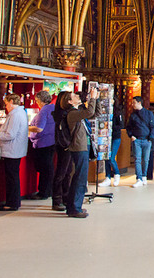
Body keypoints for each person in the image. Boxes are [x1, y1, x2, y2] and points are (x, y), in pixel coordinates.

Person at [62, 87, 100, 218]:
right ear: (70, 102)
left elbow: (95, 113)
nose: (78, 96)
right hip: (78, 148)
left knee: (80, 177)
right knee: (80, 178)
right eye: (74, 96)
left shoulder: (78, 111)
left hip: (84, 146)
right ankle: (74, 208)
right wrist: (93, 98)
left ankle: (73, 206)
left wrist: (97, 99)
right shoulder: (72, 114)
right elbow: (89, 112)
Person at [0, 93, 28, 211]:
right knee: (13, 177)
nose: (6, 106)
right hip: (15, 150)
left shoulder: (15, 115)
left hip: (12, 150)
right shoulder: (20, 113)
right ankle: (13, 202)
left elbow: (10, 134)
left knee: (12, 178)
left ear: (11, 102)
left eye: (6, 104)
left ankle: (12, 203)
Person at [27, 90, 55, 199]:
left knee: (44, 169)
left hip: (43, 143)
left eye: (37, 100)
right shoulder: (52, 109)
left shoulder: (43, 111)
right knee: (48, 168)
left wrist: (25, 127)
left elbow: (39, 128)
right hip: (51, 142)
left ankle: (43, 192)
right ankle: (48, 191)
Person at [51, 91, 74, 211]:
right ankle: (57, 199)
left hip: (65, 145)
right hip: (64, 145)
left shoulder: (64, 113)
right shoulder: (62, 114)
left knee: (67, 172)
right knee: (61, 172)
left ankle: (64, 197)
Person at [126, 96, 154, 187]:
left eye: (134, 102)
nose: (132, 104)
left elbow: (153, 126)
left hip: (147, 140)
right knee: (137, 160)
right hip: (137, 140)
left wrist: (151, 138)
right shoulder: (133, 115)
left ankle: (144, 176)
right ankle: (138, 178)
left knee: (146, 160)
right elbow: (129, 127)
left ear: (139, 103)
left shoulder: (149, 114)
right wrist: (131, 136)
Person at [100, 99, 124, 187]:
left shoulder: (118, 112)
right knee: (106, 157)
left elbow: (121, 125)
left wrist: (111, 127)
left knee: (112, 157)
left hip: (115, 137)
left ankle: (117, 174)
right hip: (106, 137)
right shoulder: (104, 111)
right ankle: (107, 177)